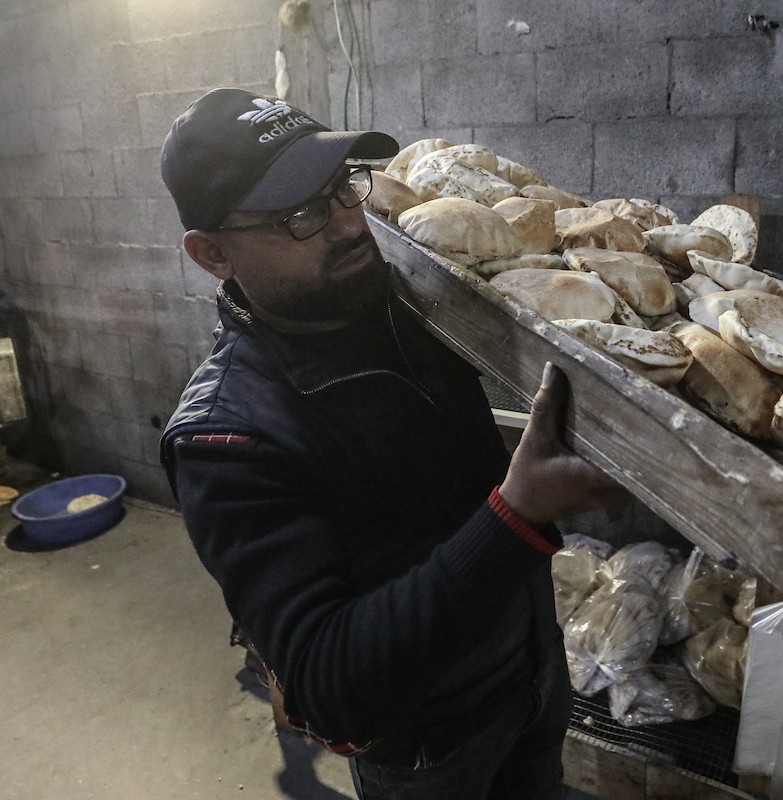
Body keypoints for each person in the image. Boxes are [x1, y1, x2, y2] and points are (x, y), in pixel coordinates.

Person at [158, 87, 625, 799]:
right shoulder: (226, 437)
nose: (350, 224)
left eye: (342, 188)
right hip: (429, 748)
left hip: (530, 670)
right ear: (212, 253)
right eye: (300, 215)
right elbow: (328, 689)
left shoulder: (406, 304)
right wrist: (518, 515)